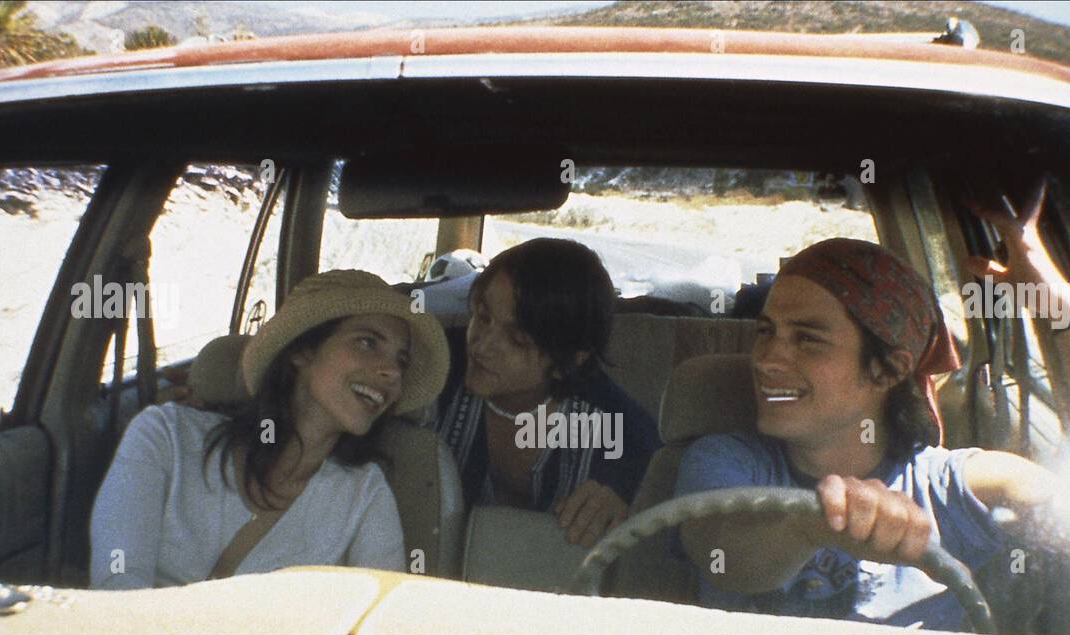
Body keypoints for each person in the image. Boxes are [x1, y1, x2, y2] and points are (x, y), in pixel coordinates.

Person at [675, 184, 1070, 631]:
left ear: (888, 369)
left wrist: (1065, 312)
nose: (767, 359)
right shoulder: (726, 460)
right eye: (767, 332)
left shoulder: (953, 485)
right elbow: (727, 561)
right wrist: (811, 526)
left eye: (807, 340)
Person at [90, 269, 448, 588]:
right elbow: (117, 587)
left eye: (401, 361)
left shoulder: (365, 493)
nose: (392, 372)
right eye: (367, 343)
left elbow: (375, 622)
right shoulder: (166, 436)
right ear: (302, 351)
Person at [434, 238, 660, 547]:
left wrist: (625, 506)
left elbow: (656, 522)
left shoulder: (622, 436)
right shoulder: (432, 371)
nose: (481, 345)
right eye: (482, 316)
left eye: (516, 339)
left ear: (567, 362)